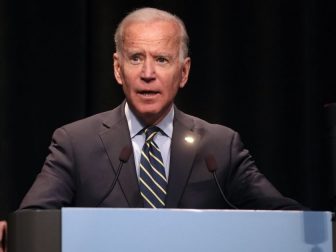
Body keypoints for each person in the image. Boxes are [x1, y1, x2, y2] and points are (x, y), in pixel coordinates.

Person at [0, 7, 305, 250]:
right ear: (118, 69)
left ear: (183, 72)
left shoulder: (219, 146)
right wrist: (14, 233)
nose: (148, 73)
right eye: (136, 58)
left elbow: (286, 220)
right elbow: (33, 222)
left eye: (162, 59)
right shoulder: (75, 142)